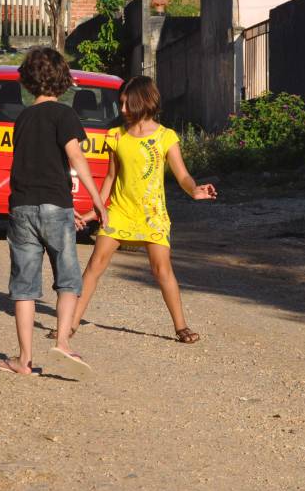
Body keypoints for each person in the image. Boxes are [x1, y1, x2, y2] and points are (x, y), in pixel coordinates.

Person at [69, 75, 216, 344]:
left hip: (153, 215)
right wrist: (96, 210)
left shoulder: (165, 137)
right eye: (121, 103)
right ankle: (70, 324)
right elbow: (110, 178)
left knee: (162, 270)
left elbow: (182, 175)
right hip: (119, 212)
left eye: (128, 103)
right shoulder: (116, 135)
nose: (123, 109)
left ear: (145, 102)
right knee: (94, 266)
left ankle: (181, 326)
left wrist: (194, 190)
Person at [0, 47, 107, 377]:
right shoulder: (64, 115)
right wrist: (96, 201)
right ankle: (62, 342)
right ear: (63, 80)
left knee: (24, 286)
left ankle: (24, 360)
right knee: (68, 278)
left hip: (22, 208)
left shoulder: (22, 119)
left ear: (28, 81)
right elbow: (75, 157)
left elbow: (29, 165)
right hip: (56, 206)